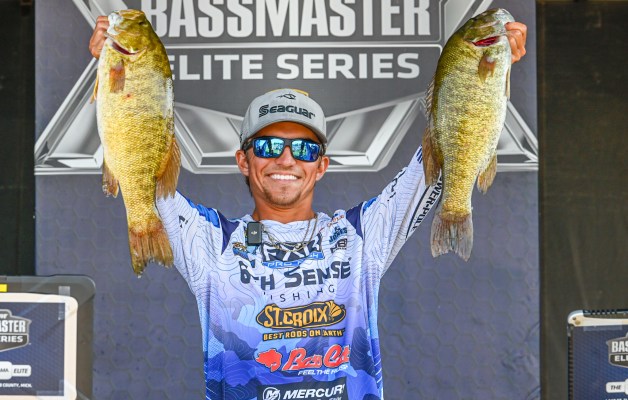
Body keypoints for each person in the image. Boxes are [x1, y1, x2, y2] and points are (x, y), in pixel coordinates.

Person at [90, 15, 527, 400]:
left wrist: (486, 74)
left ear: (321, 165)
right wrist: (115, 76)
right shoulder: (210, 244)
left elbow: (447, 154)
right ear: (243, 160)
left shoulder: (359, 237)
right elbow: (136, 159)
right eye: (268, 145)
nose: (286, 159)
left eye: (303, 148)